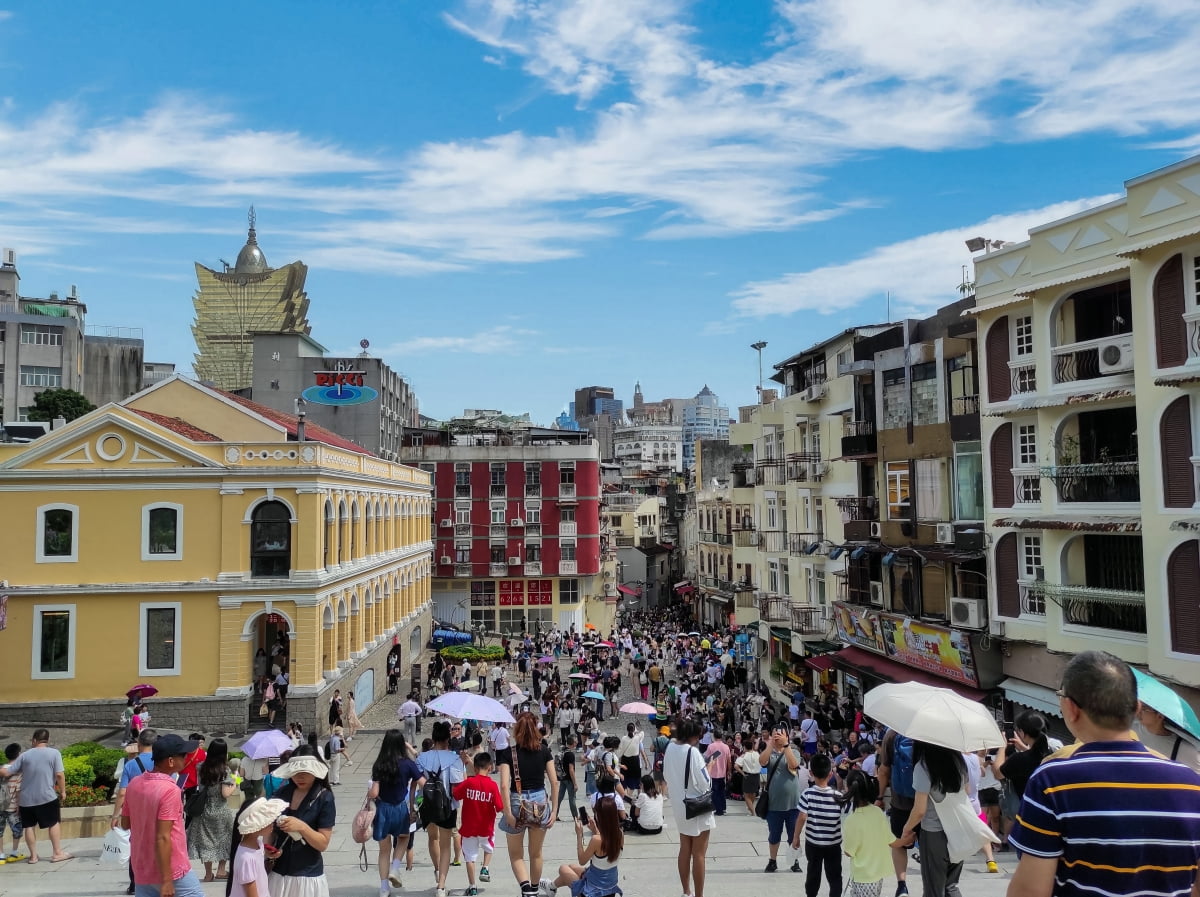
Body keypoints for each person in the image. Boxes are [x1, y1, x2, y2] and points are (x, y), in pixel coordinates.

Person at [1008, 650, 1200, 897]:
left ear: (1070, 708)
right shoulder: (1192, 786)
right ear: (1136, 707)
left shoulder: (1051, 781)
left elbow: (1031, 891)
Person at [119, 733, 204, 897]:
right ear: (171, 761)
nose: (186, 759)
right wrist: (166, 880)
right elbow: (163, 837)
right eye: (183, 756)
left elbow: (125, 824)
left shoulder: (134, 783)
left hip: (142, 868)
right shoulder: (170, 790)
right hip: (172, 870)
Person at [498, 711, 559, 897]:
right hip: (540, 801)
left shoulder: (509, 753)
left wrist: (508, 813)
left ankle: (526, 889)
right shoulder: (544, 750)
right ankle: (533, 888)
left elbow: (503, 785)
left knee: (516, 854)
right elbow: (555, 782)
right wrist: (554, 811)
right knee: (536, 853)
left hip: (517, 800)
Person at [897, 741, 967, 897]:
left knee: (933, 889)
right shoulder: (959, 762)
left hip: (934, 832)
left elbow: (920, 810)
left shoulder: (923, 767)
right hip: (958, 830)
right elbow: (966, 793)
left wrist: (906, 828)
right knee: (951, 885)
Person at [268, 750, 337, 897]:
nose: (300, 777)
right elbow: (270, 830)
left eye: (305, 772)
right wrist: (268, 849)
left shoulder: (324, 797)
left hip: (307, 874)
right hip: (278, 873)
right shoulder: (281, 794)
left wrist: (302, 827)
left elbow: (323, 843)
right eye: (295, 772)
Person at [0, 728, 69, 865]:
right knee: (53, 823)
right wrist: (63, 791)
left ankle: (33, 857)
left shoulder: (24, 756)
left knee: (29, 826)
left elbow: (7, 773)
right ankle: (57, 853)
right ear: (47, 740)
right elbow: (59, 775)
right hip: (47, 796)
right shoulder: (54, 753)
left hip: (26, 799)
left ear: (34, 740)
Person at [663, 716, 715, 897]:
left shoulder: (670, 747)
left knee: (685, 847)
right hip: (697, 806)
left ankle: (687, 891)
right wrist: (709, 768)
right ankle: (699, 895)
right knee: (699, 854)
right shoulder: (693, 753)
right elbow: (705, 784)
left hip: (680, 805)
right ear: (692, 736)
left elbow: (666, 775)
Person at [369, 730, 425, 897]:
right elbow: (423, 783)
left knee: (383, 850)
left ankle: (384, 888)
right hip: (401, 809)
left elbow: (374, 792)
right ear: (402, 745)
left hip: (382, 810)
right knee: (404, 838)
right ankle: (395, 867)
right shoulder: (408, 764)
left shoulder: (379, 765)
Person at [537, 794, 624, 897]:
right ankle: (551, 887)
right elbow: (604, 849)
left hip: (592, 893)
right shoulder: (620, 834)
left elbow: (582, 860)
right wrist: (595, 830)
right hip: (609, 890)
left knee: (563, 869)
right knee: (571, 867)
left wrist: (579, 835)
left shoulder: (596, 840)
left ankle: (551, 887)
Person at [418, 720, 467, 897]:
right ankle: (441, 886)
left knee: (433, 838)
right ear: (448, 739)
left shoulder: (422, 758)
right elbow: (457, 789)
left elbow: (417, 783)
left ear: (433, 738)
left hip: (427, 805)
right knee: (446, 845)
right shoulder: (454, 759)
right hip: (447, 807)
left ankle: (437, 869)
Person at [995, 710, 1053, 853]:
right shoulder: (1053, 755)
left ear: (1022, 732)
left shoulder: (1019, 759)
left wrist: (1002, 747)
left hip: (1029, 821)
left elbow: (998, 773)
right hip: (1052, 820)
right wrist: (1025, 747)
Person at [452, 752, 504, 897]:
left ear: (474, 768)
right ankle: (485, 868)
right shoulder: (492, 786)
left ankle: (472, 886)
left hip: (468, 828)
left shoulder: (469, 783)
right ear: (490, 767)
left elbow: (456, 794)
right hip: (486, 828)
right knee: (489, 848)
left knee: (470, 858)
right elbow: (499, 807)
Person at [188, 737, 236, 882]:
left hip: (204, 809)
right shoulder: (225, 770)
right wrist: (234, 783)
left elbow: (201, 786)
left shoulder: (200, 767)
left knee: (206, 842)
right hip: (220, 810)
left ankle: (208, 874)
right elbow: (225, 794)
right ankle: (221, 870)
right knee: (226, 839)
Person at [839, 768, 893, 897]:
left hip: (862, 876)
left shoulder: (851, 819)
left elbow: (848, 851)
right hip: (877, 875)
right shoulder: (878, 812)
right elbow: (890, 840)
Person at [877, 728, 917, 897]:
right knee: (929, 844)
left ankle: (902, 885)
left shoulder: (892, 733)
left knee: (899, 843)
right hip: (926, 802)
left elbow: (884, 770)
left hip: (899, 801)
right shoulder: (927, 731)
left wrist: (880, 797)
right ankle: (933, 884)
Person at [225, 796, 288, 897]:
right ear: (255, 825)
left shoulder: (256, 844)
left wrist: (270, 854)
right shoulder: (246, 858)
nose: (272, 824)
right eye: (268, 821)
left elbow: (259, 852)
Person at [760, 723, 801, 873]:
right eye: (775, 734)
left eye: (781, 734)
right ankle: (772, 861)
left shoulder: (794, 752)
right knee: (774, 834)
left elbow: (794, 764)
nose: (778, 736)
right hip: (774, 804)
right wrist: (770, 745)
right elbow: (762, 762)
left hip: (793, 804)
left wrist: (786, 745)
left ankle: (794, 861)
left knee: (793, 835)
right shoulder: (769, 752)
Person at [1134, 700, 1200, 774]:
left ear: (1160, 716)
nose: (1139, 711)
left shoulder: (1184, 748)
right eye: (1139, 707)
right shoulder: (1131, 730)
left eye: (1144, 709)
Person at [0, 743, 27, 864]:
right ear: (18, 754)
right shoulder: (18, 771)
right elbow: (18, 789)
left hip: (0, 805)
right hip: (12, 806)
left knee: (0, 830)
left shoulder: (2, 769)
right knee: (17, 829)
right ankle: (14, 853)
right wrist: (18, 805)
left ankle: (1, 855)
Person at [704, 732, 731, 816]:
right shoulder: (726, 747)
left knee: (715, 792)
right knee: (722, 791)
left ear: (714, 737)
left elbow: (707, 760)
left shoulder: (711, 746)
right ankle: (723, 807)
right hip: (722, 772)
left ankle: (718, 809)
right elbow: (729, 760)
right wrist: (729, 771)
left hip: (713, 773)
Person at [736, 739, 763, 814]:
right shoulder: (757, 754)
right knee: (753, 793)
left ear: (744, 747)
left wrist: (742, 773)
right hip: (757, 775)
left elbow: (736, 766)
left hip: (747, 775)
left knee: (746, 794)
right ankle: (751, 808)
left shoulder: (744, 755)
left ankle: (753, 811)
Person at [556, 735, 579, 822]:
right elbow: (571, 769)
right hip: (569, 779)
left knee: (559, 797)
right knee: (572, 798)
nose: (577, 743)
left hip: (563, 778)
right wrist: (575, 783)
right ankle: (575, 816)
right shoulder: (570, 755)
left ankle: (555, 814)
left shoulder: (563, 751)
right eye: (576, 742)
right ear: (573, 743)